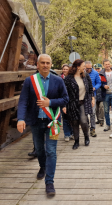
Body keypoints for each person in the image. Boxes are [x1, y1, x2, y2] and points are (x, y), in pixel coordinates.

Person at [17, 54, 69, 196]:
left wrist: (50, 103)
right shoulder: (30, 81)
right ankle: (42, 167)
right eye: (43, 63)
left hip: (52, 122)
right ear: (38, 65)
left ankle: (49, 182)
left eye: (48, 63)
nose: (45, 65)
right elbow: (23, 101)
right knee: (39, 150)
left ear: (51, 64)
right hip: (35, 121)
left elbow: (65, 99)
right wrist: (20, 118)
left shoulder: (58, 81)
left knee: (51, 151)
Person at [63, 59, 95, 150]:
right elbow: (65, 92)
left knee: (84, 121)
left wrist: (92, 98)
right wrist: (64, 105)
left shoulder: (86, 76)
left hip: (83, 102)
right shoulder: (69, 78)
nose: (85, 68)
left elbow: (90, 88)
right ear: (78, 67)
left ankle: (86, 137)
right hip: (72, 103)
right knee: (74, 122)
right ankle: (76, 141)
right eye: (83, 66)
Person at [99, 59, 112, 131]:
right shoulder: (101, 73)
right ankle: (108, 125)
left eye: (108, 64)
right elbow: (99, 83)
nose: (107, 65)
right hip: (105, 94)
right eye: (106, 64)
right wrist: (104, 86)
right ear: (103, 65)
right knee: (106, 111)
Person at [85, 61, 101, 137]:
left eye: (90, 68)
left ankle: (93, 129)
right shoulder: (82, 73)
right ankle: (87, 127)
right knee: (85, 113)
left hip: (92, 96)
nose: (88, 70)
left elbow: (99, 83)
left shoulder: (95, 73)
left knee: (92, 113)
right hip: (83, 96)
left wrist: (95, 87)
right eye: (87, 68)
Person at [60, 64, 74, 142]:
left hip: (71, 101)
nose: (65, 70)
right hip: (63, 101)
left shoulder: (72, 78)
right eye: (64, 69)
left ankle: (72, 133)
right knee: (65, 118)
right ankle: (66, 134)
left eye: (66, 69)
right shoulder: (59, 78)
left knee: (71, 118)